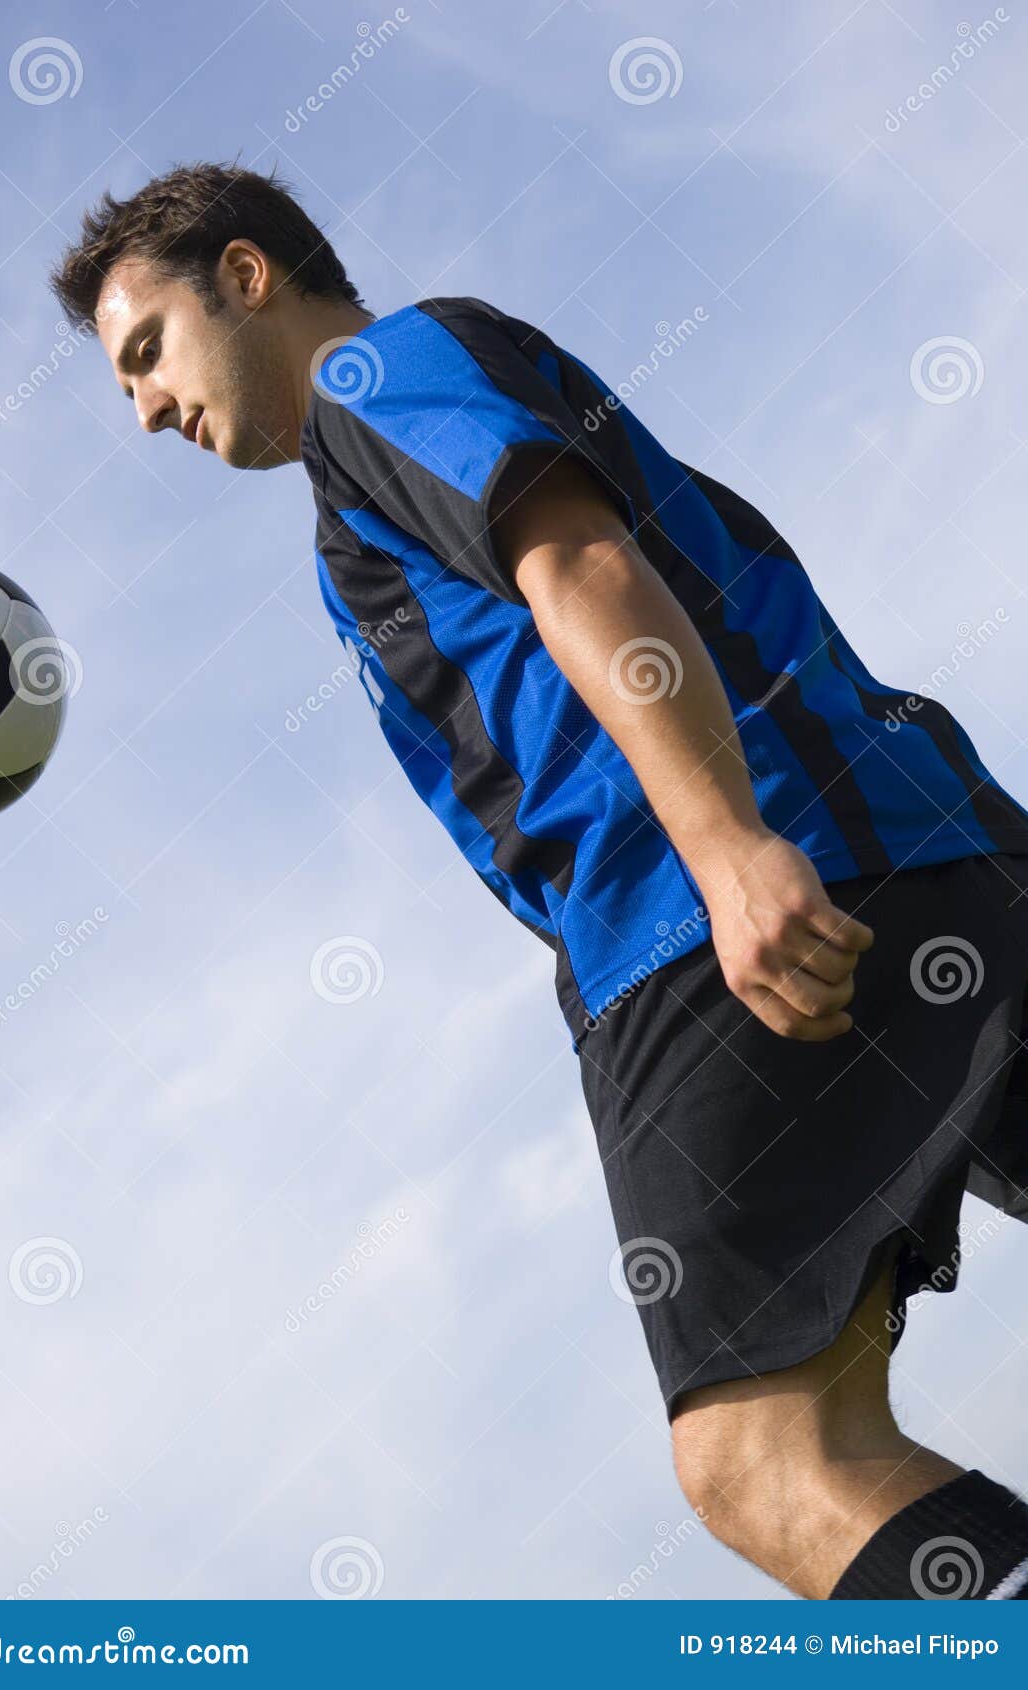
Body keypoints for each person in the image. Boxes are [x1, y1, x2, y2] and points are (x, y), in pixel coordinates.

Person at [50, 162, 1028, 1601]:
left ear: (246, 279)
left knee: (763, 1454)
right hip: (926, 845)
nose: (144, 408)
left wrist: (725, 848)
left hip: (709, 924)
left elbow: (575, 564)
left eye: (147, 350)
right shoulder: (367, 466)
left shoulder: (377, 377)